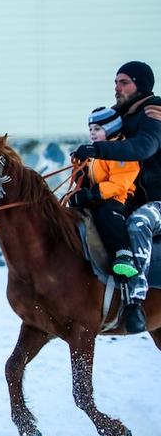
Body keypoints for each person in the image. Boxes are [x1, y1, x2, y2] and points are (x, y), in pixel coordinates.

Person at [72, 61, 161, 332]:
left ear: (141, 85)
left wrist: (100, 150)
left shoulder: (152, 113)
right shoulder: (120, 115)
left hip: (157, 202)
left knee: (139, 223)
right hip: (130, 195)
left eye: (124, 82)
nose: (117, 88)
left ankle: (134, 302)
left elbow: (145, 147)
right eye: (115, 82)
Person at [68, 107, 140, 278]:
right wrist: (80, 173)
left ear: (112, 129)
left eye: (98, 129)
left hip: (121, 198)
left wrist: (92, 194)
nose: (92, 133)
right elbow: (90, 177)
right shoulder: (95, 152)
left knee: (108, 213)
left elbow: (119, 184)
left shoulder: (120, 151)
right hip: (100, 197)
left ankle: (123, 254)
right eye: (90, 129)